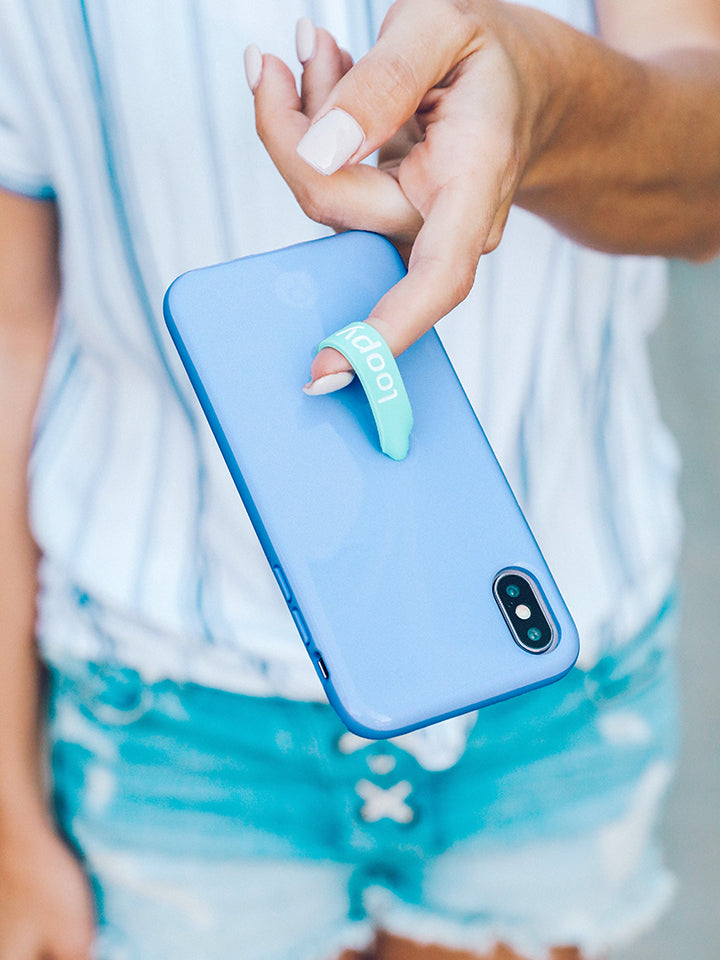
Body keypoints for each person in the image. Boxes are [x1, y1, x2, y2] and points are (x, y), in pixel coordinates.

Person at [0, 1, 718, 958]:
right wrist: (7, 814)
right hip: (172, 709)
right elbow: (10, 339)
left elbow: (704, 185)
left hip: (550, 684)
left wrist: (543, 98)